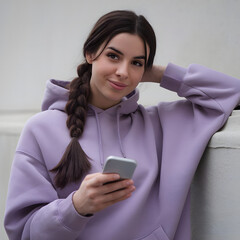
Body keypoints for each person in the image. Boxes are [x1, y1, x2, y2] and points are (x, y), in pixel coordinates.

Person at [4, 10, 240, 240]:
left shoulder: (161, 124)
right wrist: (75, 207)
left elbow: (232, 93)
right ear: (90, 53)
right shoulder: (40, 129)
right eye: (113, 56)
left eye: (136, 63)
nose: (123, 72)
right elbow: (23, 232)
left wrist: (159, 74)